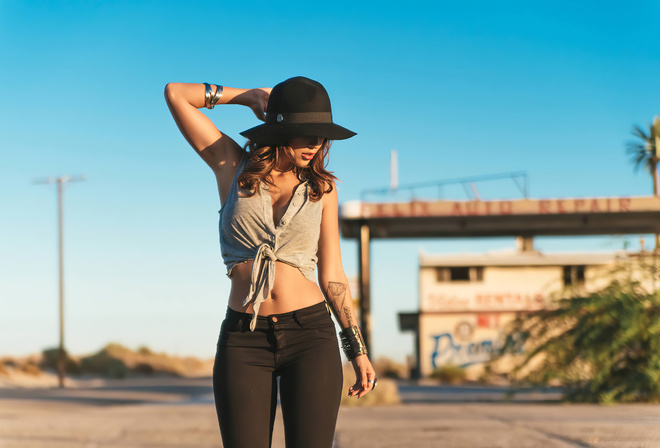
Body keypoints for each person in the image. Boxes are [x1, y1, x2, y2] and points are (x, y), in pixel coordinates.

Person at [164, 76, 377, 448]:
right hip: (244, 338)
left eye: (321, 135)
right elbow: (176, 94)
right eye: (306, 132)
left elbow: (333, 276)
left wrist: (356, 348)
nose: (315, 144)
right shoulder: (232, 166)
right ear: (280, 129)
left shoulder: (322, 190)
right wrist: (247, 97)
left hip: (311, 333)